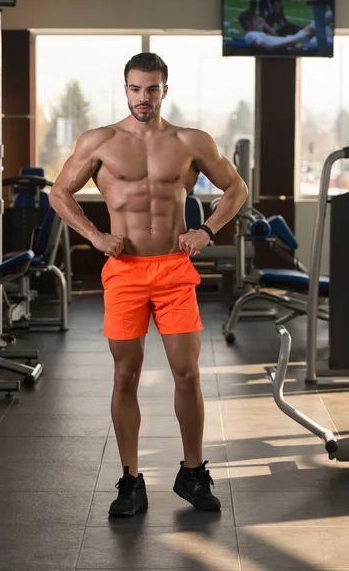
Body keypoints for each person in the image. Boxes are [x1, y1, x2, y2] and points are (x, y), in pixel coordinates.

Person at [49, 53, 248, 517]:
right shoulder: (99, 141)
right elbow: (60, 194)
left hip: (175, 269)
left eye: (152, 89)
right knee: (126, 375)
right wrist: (97, 235)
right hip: (126, 272)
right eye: (136, 89)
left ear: (164, 89)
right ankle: (131, 480)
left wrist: (208, 230)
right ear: (125, 90)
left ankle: (192, 473)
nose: (144, 97)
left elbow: (236, 187)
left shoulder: (190, 141)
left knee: (188, 373)